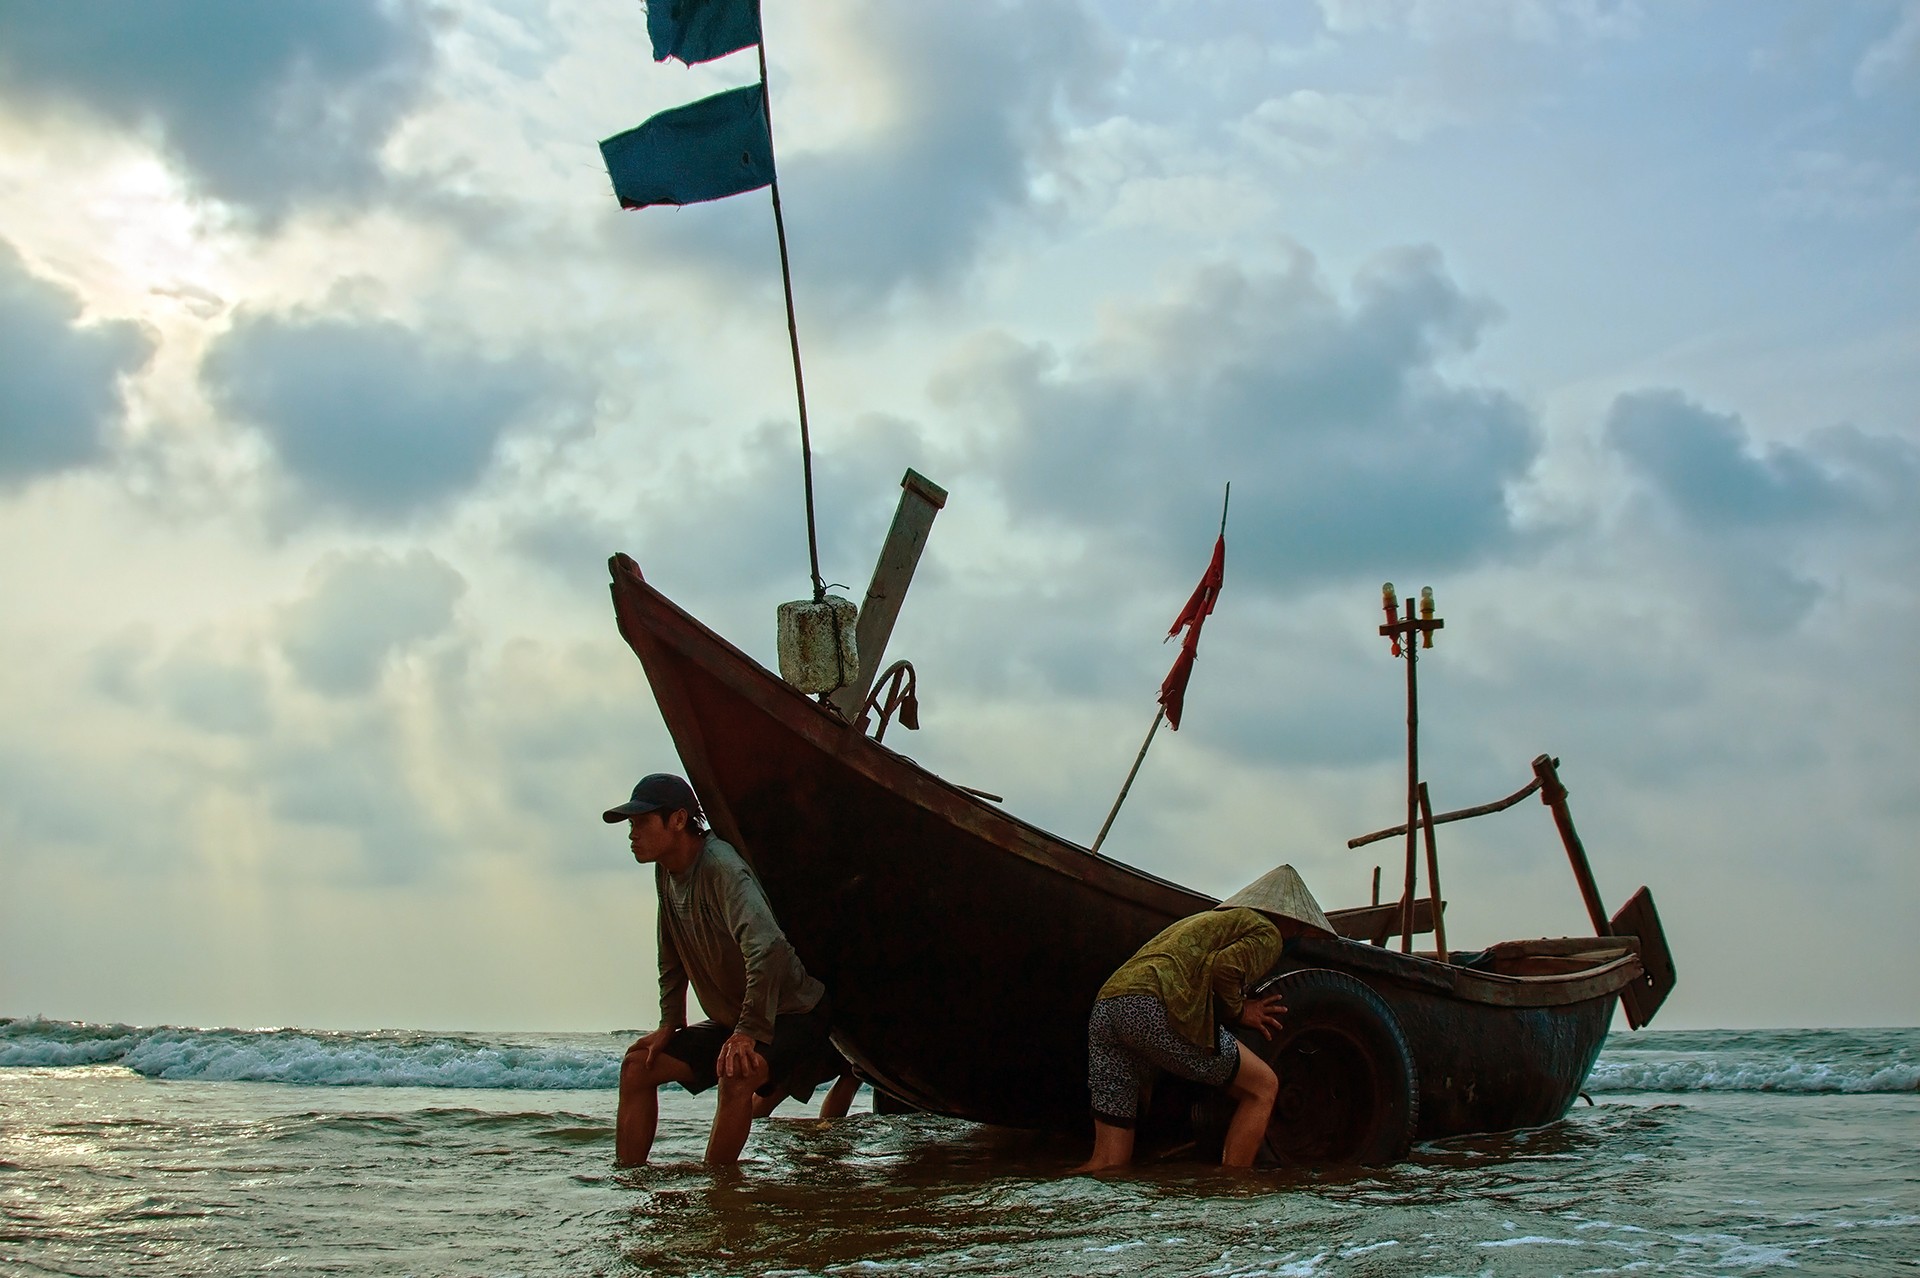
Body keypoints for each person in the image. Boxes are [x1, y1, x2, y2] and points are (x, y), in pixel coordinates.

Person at [607, 772, 842, 1166]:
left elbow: (769, 948)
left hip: (794, 1014)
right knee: (636, 1067)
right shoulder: (665, 869)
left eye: (642, 822)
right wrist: (670, 1021)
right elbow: (670, 950)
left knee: (736, 1076)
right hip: (735, 1019)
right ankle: (628, 1181)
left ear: (679, 820)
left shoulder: (721, 867)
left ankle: (719, 1195)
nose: (633, 834)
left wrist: (748, 1031)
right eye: (631, 825)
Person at [1074, 865, 1335, 1173]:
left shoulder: (1213, 921)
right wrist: (1241, 1010)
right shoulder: (1267, 933)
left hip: (1109, 1007)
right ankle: (1231, 1187)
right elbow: (1224, 967)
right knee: (1263, 1087)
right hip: (1152, 1006)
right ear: (1293, 921)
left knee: (1107, 1163)